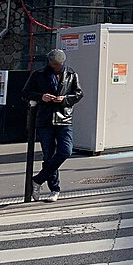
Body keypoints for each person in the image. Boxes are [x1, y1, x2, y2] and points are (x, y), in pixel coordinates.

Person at [22, 49, 84, 202]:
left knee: (65, 150)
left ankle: (38, 179)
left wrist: (65, 99)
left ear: (63, 62)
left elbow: (78, 94)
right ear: (49, 62)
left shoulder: (71, 74)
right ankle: (54, 189)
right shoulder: (39, 74)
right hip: (45, 119)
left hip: (64, 118)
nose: (56, 66)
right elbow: (25, 93)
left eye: (58, 64)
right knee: (48, 155)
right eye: (53, 63)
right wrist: (41, 96)